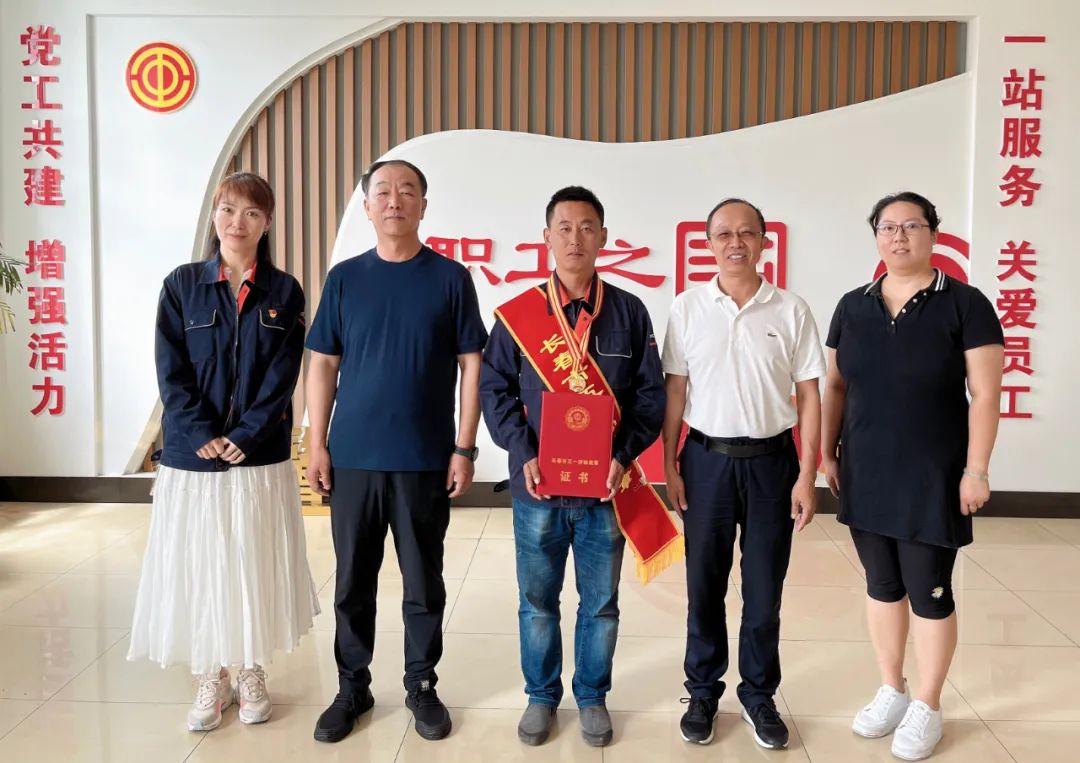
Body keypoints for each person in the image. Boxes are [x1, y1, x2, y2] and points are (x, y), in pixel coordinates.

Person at [480, 185, 674, 748]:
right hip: (537, 489)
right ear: (546, 237)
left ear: (603, 238)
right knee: (537, 603)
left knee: (601, 605)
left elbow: (650, 396)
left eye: (587, 227)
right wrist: (523, 451)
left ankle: (591, 695)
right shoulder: (519, 315)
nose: (575, 238)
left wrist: (622, 455)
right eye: (564, 227)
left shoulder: (629, 312)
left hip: (605, 491)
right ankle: (541, 696)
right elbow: (494, 390)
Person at [305, 159, 488, 744]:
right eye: (382, 191)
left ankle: (421, 684)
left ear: (423, 206)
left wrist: (464, 447)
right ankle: (351, 687)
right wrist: (316, 443)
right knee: (352, 583)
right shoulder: (345, 279)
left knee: (423, 583)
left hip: (424, 458)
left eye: (407, 191)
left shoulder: (450, 278)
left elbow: (472, 364)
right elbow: (323, 363)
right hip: (353, 456)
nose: (394, 200)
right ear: (366, 207)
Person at [128, 172, 318, 732]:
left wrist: (246, 435)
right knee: (202, 564)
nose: (238, 223)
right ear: (215, 216)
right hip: (193, 458)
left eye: (252, 213)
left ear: (267, 223)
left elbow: (283, 375)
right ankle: (210, 674)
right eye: (229, 210)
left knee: (251, 562)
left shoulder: (283, 291)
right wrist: (198, 431)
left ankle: (251, 669)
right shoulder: (182, 285)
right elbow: (170, 369)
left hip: (256, 459)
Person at [821, 191, 1003, 761]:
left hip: (934, 474)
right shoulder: (852, 306)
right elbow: (835, 386)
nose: (899, 237)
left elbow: (985, 394)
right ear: (876, 236)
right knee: (881, 585)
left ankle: (928, 702)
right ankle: (892, 689)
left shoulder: (965, 304)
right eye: (888, 227)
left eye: (912, 226)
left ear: (933, 234)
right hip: (866, 469)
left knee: (929, 590)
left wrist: (976, 469)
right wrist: (827, 452)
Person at [662, 198, 825, 750]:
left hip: (773, 465)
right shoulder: (687, 307)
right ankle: (702, 692)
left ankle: (758, 695)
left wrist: (807, 475)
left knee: (763, 588)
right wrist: (669, 465)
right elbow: (676, 391)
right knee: (703, 585)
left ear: (763, 241)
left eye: (747, 233)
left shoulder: (791, 309)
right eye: (724, 234)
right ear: (708, 243)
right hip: (704, 462)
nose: (736, 243)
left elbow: (810, 395)